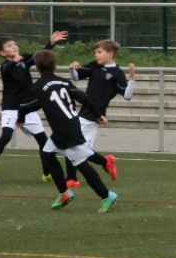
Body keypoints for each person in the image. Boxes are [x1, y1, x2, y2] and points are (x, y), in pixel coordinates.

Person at [17, 50, 118, 212]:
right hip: (71, 124)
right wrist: (98, 114)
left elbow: (26, 106)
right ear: (55, 66)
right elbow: (84, 98)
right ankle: (64, 191)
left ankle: (106, 195)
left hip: (64, 130)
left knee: (80, 163)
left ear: (36, 68)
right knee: (47, 153)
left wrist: (20, 117)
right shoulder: (64, 82)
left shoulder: (38, 87)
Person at [0, 31, 67, 186]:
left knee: (43, 141)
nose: (14, 46)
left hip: (27, 108)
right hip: (11, 108)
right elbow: (7, 69)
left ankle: (46, 173)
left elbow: (40, 56)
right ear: (2, 53)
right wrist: (14, 62)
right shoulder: (5, 66)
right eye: (9, 46)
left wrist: (51, 43)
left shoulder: (23, 60)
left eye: (14, 44)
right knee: (6, 136)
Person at [64, 39, 135, 188]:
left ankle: (72, 178)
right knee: (77, 147)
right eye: (95, 52)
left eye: (99, 52)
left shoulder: (117, 73)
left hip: (94, 115)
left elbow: (128, 96)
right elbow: (76, 76)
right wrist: (72, 69)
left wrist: (132, 78)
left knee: (71, 143)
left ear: (110, 53)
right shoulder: (95, 66)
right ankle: (104, 162)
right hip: (86, 111)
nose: (96, 55)